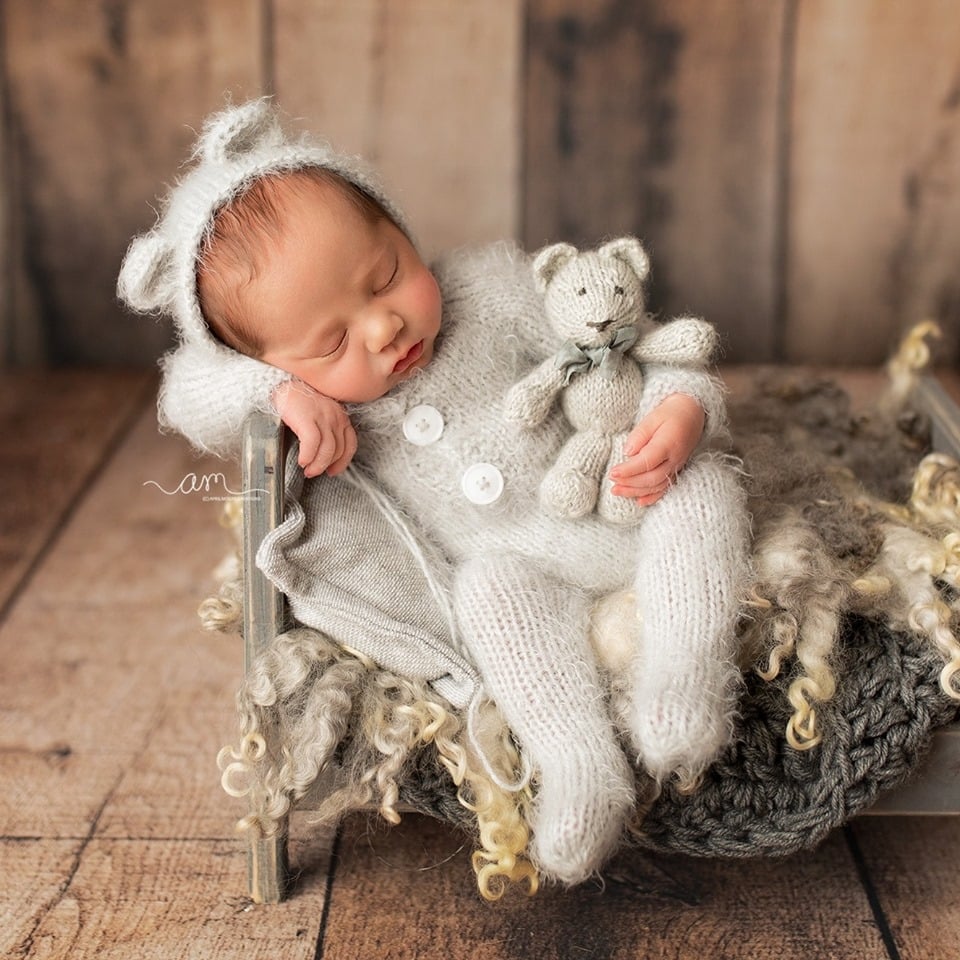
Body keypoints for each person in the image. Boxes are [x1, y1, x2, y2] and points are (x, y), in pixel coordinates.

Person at [118, 99, 750, 886]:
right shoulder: (327, 407)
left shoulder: (489, 287)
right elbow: (187, 388)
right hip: (524, 572)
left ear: (400, 231)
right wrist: (278, 392)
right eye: (332, 341)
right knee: (487, 595)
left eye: (385, 276)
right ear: (285, 361)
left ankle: (684, 671)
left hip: (627, 502)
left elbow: (631, 346)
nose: (381, 328)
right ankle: (577, 760)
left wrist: (681, 410)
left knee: (708, 489)